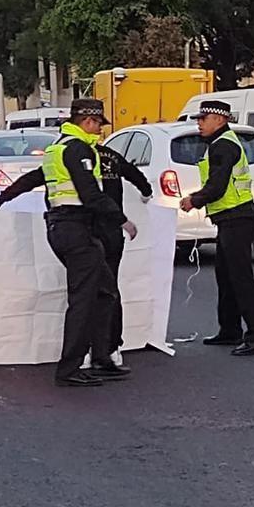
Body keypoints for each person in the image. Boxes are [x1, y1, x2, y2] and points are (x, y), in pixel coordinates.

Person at [0, 99, 137, 387]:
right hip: (75, 229)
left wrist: (0, 198)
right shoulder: (78, 149)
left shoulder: (58, 148)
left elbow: (33, 178)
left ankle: (102, 357)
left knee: (105, 292)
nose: (99, 132)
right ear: (88, 122)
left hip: (65, 227)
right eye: (97, 126)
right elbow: (90, 193)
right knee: (84, 299)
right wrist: (122, 220)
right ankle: (69, 368)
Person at [179, 99, 254, 355]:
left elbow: (217, 186)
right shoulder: (219, 144)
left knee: (240, 278)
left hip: (238, 218)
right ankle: (230, 330)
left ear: (220, 120)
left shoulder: (224, 146)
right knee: (226, 276)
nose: (198, 123)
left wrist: (193, 200)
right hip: (230, 218)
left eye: (203, 118)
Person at [96, 141, 153, 362]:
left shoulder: (71, 153)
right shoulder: (110, 156)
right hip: (112, 231)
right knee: (110, 288)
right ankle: (112, 346)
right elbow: (135, 175)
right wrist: (146, 193)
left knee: (86, 289)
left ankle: (91, 347)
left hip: (88, 230)